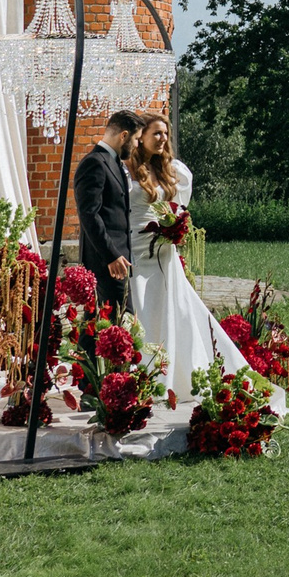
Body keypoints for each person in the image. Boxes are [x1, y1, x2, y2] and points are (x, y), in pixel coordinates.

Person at [122, 113, 250, 398]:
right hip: (137, 249)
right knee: (143, 308)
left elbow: (176, 208)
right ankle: (143, 374)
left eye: (165, 134)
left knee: (173, 308)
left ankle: (178, 371)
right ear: (141, 136)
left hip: (164, 251)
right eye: (156, 133)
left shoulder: (172, 171)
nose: (162, 138)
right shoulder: (126, 169)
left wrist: (175, 228)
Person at [74, 107, 145, 315]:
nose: (137, 145)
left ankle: (84, 350)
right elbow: (89, 214)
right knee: (119, 322)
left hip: (117, 260)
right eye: (136, 139)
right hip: (106, 262)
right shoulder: (95, 163)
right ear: (124, 135)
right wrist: (111, 256)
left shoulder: (112, 162)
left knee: (99, 328)